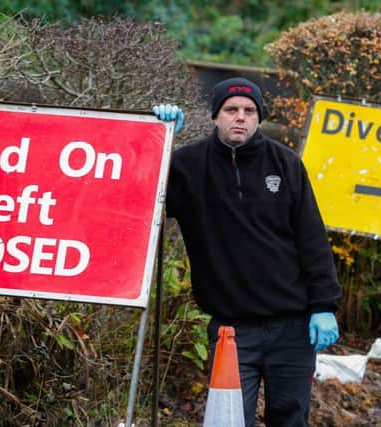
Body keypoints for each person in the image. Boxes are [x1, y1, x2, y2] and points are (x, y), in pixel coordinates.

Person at [153, 77, 340, 427]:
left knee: (290, 419)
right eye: (231, 109)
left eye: (249, 111)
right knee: (229, 420)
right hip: (231, 331)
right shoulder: (187, 166)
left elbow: (312, 239)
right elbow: (143, 197)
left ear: (258, 117)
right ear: (215, 116)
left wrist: (324, 306)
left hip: (292, 326)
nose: (240, 117)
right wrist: (158, 140)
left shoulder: (285, 164)